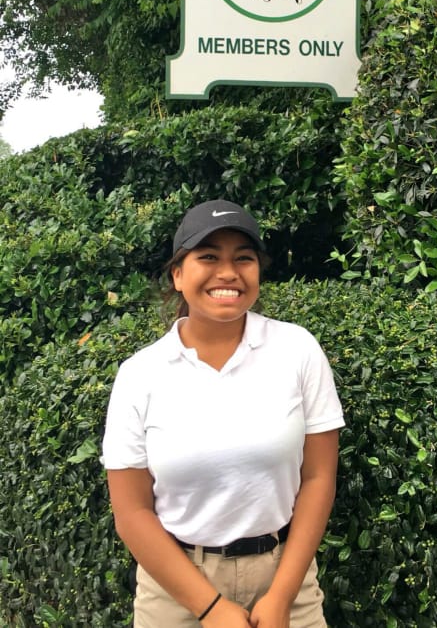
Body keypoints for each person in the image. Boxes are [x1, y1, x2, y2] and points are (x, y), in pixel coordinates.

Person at [101, 200, 344, 628]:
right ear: (178, 275)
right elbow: (132, 512)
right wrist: (210, 609)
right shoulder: (139, 375)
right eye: (208, 256)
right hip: (176, 588)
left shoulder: (298, 350)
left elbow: (319, 477)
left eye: (243, 258)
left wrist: (282, 596)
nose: (228, 273)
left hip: (286, 577)